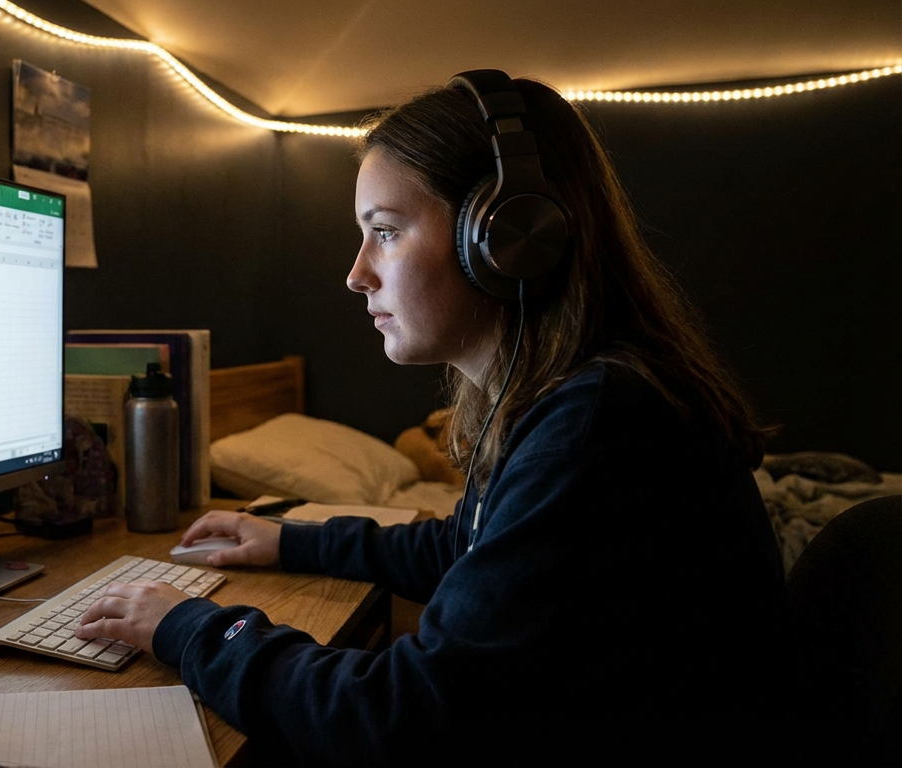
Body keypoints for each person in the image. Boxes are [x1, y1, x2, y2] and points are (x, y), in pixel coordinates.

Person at [76, 71, 787, 766]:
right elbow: (469, 547)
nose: (356, 273)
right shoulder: (584, 398)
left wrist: (189, 627)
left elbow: (400, 716)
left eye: (385, 231)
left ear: (507, 239)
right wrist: (291, 540)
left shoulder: (594, 428)